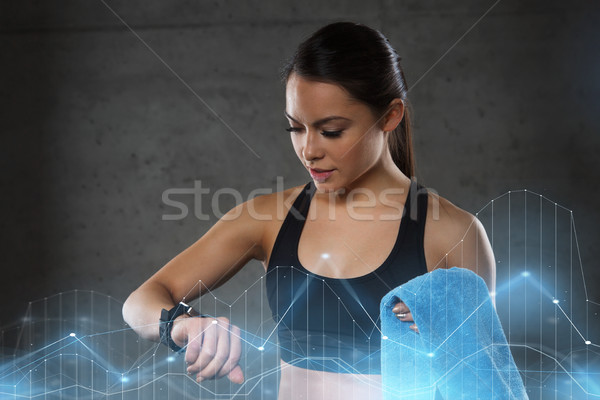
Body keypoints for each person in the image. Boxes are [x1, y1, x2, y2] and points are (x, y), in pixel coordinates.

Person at [122, 21, 496, 400]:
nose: (309, 150)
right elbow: (141, 301)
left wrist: (450, 339)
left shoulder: (452, 233)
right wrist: (182, 325)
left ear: (390, 115)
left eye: (331, 131)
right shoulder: (267, 219)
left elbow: (484, 382)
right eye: (296, 129)